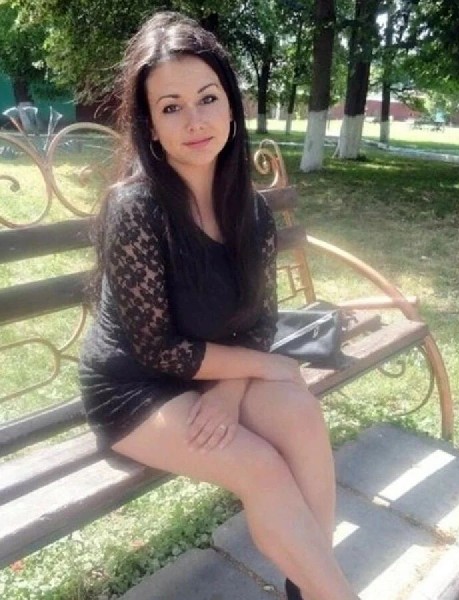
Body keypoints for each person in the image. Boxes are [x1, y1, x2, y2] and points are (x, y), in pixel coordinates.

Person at [79, 11, 358, 600]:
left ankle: (310, 587)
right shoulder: (135, 210)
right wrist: (268, 367)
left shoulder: (249, 210)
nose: (195, 121)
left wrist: (233, 389)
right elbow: (157, 349)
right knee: (261, 467)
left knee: (300, 414)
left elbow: (261, 321)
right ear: (151, 126)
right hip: (133, 387)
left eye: (207, 98)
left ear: (232, 105)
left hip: (209, 371)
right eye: (171, 107)